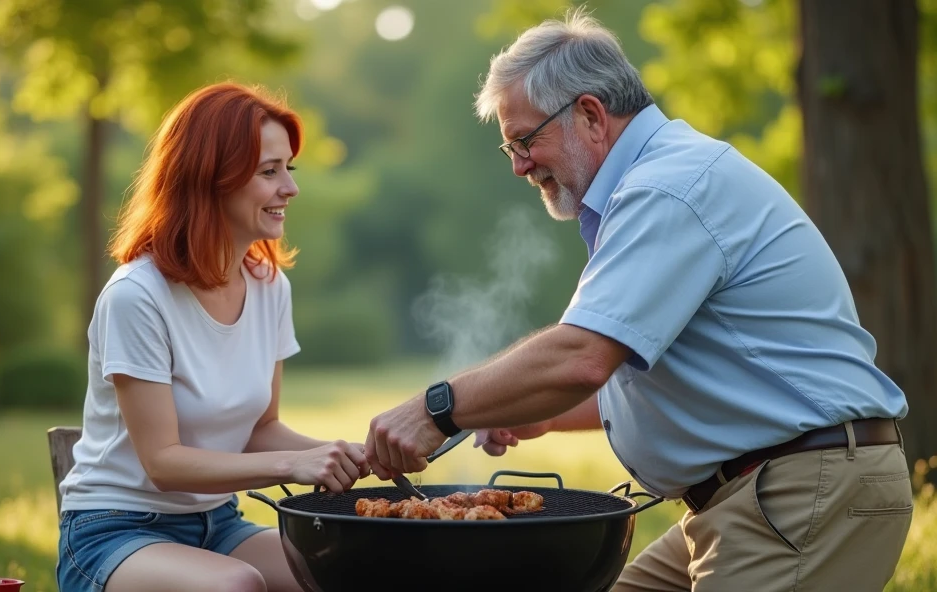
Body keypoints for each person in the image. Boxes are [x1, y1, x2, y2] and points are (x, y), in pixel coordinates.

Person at [364, 8, 913, 591]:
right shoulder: (654, 182)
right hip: (754, 495)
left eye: (524, 140)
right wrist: (541, 413)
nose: (520, 166)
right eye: (511, 149)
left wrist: (434, 408)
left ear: (591, 115)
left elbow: (581, 357)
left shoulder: (668, 187)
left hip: (805, 493)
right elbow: (653, 373)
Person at [56, 82, 371, 592]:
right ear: (209, 180)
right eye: (269, 172)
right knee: (235, 586)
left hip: (217, 523)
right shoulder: (137, 296)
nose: (289, 188)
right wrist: (296, 465)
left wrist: (344, 454)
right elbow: (164, 463)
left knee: (347, 569)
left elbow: (260, 427)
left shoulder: (270, 287)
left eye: (289, 168)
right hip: (115, 531)